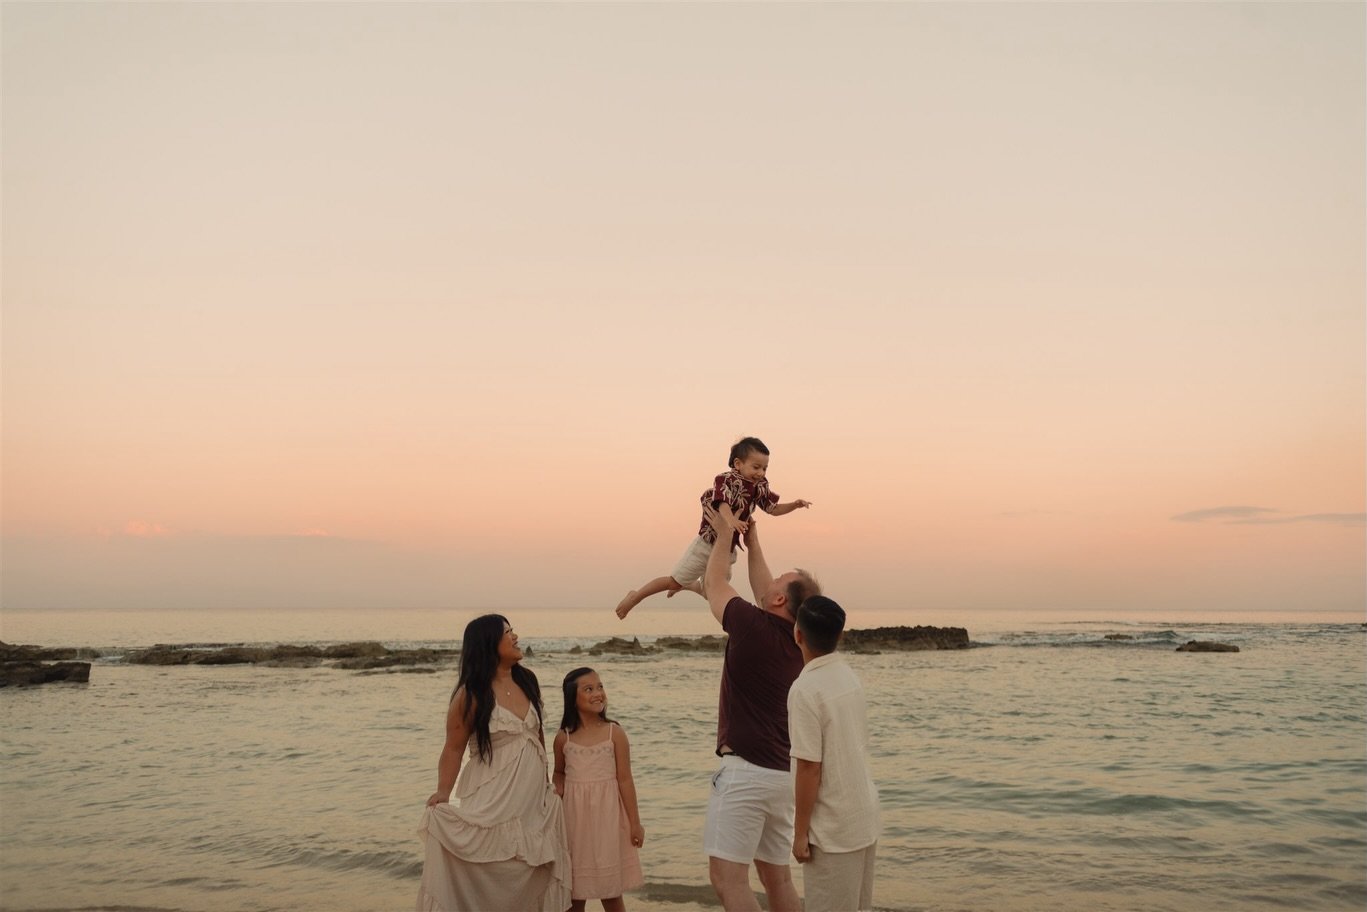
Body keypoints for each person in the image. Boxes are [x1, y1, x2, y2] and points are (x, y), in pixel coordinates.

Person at [698, 502, 820, 912]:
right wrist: (752, 539)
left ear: (780, 598)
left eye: (780, 580)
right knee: (777, 877)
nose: (771, 580)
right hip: (780, 777)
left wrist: (722, 533)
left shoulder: (752, 628)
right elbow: (764, 586)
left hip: (745, 775)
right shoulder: (798, 642)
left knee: (727, 879)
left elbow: (715, 583)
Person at [416, 614, 571, 912]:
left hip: (529, 799)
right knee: (491, 866)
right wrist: (443, 793)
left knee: (529, 867)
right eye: (508, 633)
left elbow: (537, 737)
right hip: (493, 796)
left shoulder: (528, 680)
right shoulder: (471, 694)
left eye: (513, 631)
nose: (515, 637)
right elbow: (453, 748)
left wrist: (546, 783)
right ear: (488, 643)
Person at [615, 436, 810, 619]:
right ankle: (636, 596)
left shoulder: (760, 486)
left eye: (765, 468)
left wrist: (794, 504)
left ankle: (689, 585)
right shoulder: (726, 480)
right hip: (707, 544)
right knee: (673, 581)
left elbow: (772, 508)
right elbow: (721, 503)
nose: (760, 473)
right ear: (738, 464)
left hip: (727, 548)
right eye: (756, 466)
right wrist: (730, 522)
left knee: (714, 592)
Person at [788, 596, 880, 912]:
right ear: (839, 635)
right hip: (863, 816)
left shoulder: (805, 689)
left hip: (833, 830)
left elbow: (809, 768)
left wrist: (800, 834)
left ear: (797, 633)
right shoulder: (847, 676)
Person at [552, 667, 646, 912]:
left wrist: (635, 823)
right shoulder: (564, 738)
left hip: (607, 821)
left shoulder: (615, 733)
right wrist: (558, 783)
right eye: (589, 689)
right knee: (574, 894)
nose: (598, 693)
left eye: (600, 687)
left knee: (611, 892)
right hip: (575, 822)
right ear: (573, 698)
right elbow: (559, 771)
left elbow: (625, 780)